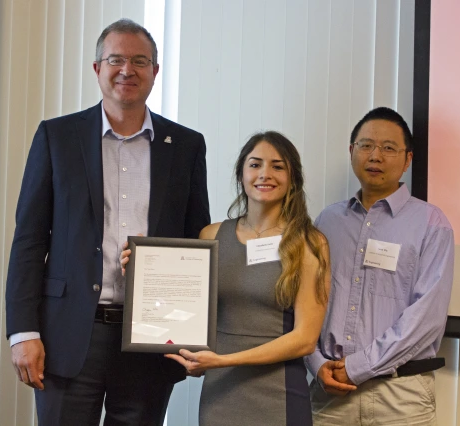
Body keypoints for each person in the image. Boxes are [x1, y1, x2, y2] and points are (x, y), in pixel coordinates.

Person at [5, 18, 210, 426]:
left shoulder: (185, 145)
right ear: (97, 68)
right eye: (115, 59)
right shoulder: (57, 137)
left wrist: (191, 333)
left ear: (155, 71)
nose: (127, 70)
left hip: (151, 338)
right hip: (68, 333)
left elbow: (195, 242)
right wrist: (23, 332)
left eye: (140, 60)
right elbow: (29, 240)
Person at [121, 131, 356, 426]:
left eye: (278, 166)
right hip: (219, 395)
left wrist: (224, 360)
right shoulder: (211, 236)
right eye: (255, 164)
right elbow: (184, 311)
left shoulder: (309, 243)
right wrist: (142, 273)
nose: (265, 174)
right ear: (241, 173)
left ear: (292, 177)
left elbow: (304, 340)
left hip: (278, 397)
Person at [305, 107, 454, 425]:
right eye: (366, 145)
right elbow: (306, 302)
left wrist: (357, 367)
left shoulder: (431, 223)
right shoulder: (327, 221)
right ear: (351, 151)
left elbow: (426, 317)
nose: (375, 156)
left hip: (400, 396)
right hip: (329, 390)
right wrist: (316, 363)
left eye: (388, 148)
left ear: (408, 159)